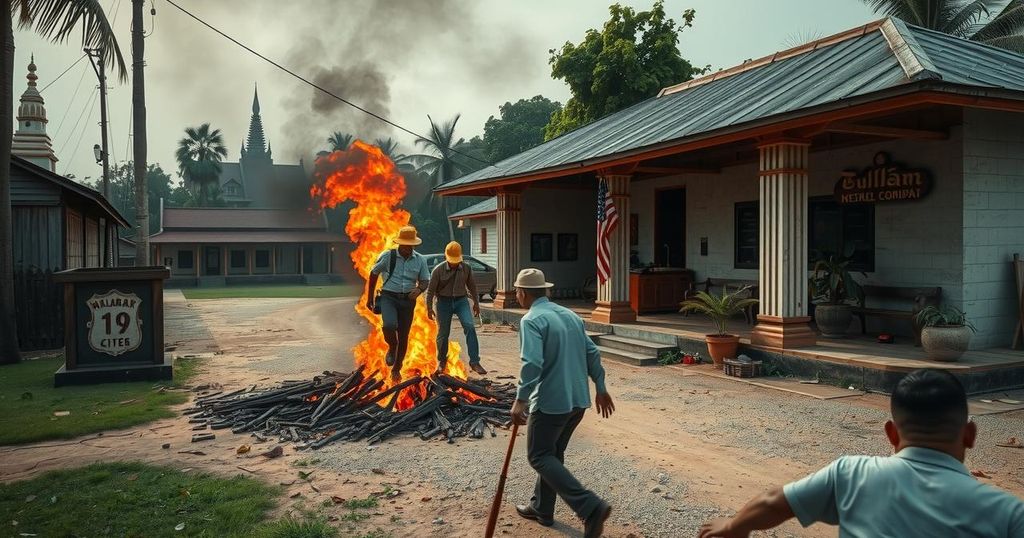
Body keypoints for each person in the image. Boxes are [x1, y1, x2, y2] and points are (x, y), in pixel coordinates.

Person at [699, 368, 1024, 538]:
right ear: (970, 435)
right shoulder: (1009, 515)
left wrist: (733, 526)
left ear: (891, 433)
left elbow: (773, 502)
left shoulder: (851, 473)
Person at [509, 268, 615, 538]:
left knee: (539, 455)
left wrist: (521, 399)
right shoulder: (570, 315)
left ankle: (590, 506)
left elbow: (532, 363)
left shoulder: (531, 319)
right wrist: (600, 387)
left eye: (517, 292)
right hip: (577, 401)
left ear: (522, 293)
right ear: (546, 290)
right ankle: (542, 508)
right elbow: (592, 352)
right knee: (552, 454)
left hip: (551, 402)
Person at [365, 225, 430, 382]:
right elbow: (373, 274)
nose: (408, 248)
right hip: (389, 297)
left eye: (411, 245)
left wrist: (419, 289)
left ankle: (397, 369)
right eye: (405, 245)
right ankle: (392, 347)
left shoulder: (420, 260)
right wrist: (370, 298)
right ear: (400, 243)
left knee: (404, 335)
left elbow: (425, 280)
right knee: (389, 325)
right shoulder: (388, 256)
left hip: (408, 300)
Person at [425, 241, 486, 376]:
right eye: (452, 261)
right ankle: (441, 361)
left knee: (470, 327)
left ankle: (474, 362)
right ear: (447, 257)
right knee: (443, 333)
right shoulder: (438, 270)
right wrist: (429, 308)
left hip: (461, 300)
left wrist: (476, 303)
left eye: (456, 261)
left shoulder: (466, 268)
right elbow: (430, 292)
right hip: (443, 302)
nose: (454, 263)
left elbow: (472, 287)